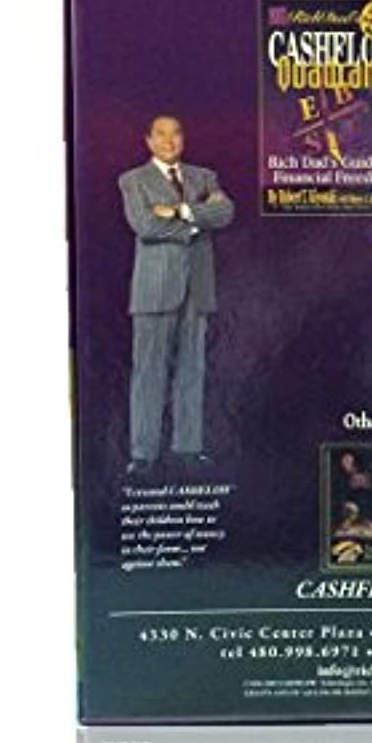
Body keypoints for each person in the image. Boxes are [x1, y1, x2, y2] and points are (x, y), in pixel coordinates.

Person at [118, 115, 234, 477]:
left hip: (197, 289)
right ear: (148, 140)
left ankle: (188, 448)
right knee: (148, 373)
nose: (169, 141)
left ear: (183, 139)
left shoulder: (204, 177)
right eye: (161, 135)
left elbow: (225, 212)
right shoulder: (133, 180)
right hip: (154, 290)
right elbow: (145, 225)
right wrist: (198, 222)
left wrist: (182, 211)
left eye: (176, 134)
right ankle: (143, 454)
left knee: (192, 371)